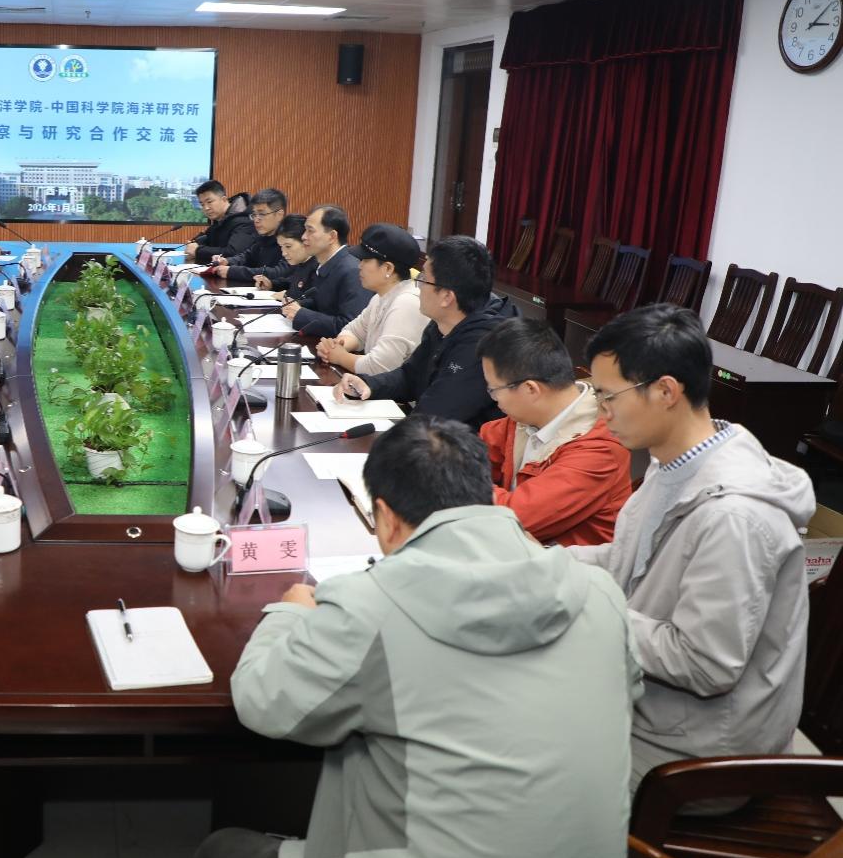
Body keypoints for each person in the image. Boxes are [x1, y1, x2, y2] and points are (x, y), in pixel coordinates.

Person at [197, 415, 638, 858]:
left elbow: (262, 702)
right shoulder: (599, 592)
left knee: (222, 852)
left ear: (386, 519)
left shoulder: (372, 604)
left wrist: (290, 612)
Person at [571, 304, 811, 793]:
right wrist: (542, 564)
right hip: (657, 711)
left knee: (512, 747)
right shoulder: (673, 464)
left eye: (608, 396)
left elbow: (704, 664)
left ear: (666, 391)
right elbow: (630, 562)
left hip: (700, 754)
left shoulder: (735, 518)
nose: (601, 411)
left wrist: (577, 602)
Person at [476, 318, 630, 547]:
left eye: (493, 389)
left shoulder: (599, 450)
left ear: (530, 389)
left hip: (568, 566)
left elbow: (513, 516)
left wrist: (452, 480)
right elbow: (470, 454)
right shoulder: (526, 418)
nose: (494, 398)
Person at [335, 234, 514, 429]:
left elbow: (436, 414)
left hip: (460, 443)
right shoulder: (443, 321)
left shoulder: (485, 345)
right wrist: (369, 385)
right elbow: (410, 375)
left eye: (423, 279)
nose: (417, 287)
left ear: (447, 297)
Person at [316, 222, 425, 376]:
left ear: (388, 268)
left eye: (365, 260)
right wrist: (337, 346)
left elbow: (379, 366)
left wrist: (340, 357)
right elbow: (354, 331)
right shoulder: (381, 297)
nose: (359, 266)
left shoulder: (407, 303)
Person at [280, 205, 372, 337]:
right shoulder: (325, 264)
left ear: (332, 236)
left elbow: (350, 327)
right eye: (305, 230)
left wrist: (301, 314)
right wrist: (296, 305)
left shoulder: (352, 270)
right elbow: (324, 305)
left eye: (310, 231)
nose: (304, 237)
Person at [214, 188, 289, 286]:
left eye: (261, 214)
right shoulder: (262, 237)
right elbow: (247, 256)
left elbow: (278, 272)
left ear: (279, 215)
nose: (256, 220)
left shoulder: (291, 240)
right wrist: (227, 261)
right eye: (254, 214)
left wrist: (232, 271)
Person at [186, 180, 254, 263]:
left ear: (224, 199)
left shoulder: (244, 221)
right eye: (202, 204)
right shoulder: (220, 220)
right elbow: (207, 237)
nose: (206, 208)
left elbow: (233, 252)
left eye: (209, 202)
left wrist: (198, 250)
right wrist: (194, 244)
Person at [257, 214, 315, 298]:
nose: (284, 253)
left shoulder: (318, 268)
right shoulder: (301, 264)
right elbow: (292, 281)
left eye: (288, 246)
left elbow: (312, 298)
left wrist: (289, 296)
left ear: (305, 241)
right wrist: (271, 284)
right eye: (281, 247)